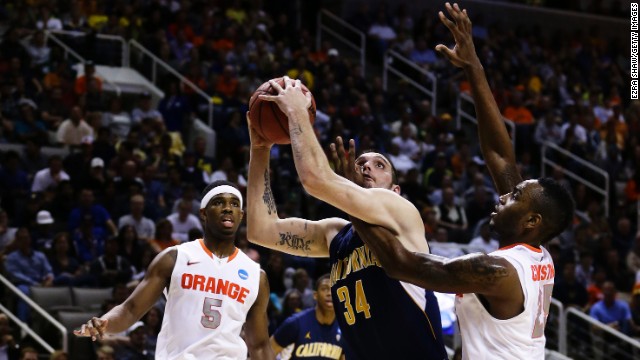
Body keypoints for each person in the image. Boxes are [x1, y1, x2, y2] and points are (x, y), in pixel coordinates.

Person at [327, 4, 574, 360]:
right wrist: (473, 66)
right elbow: (501, 157)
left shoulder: (497, 272)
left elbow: (401, 264)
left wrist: (350, 193)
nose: (505, 196)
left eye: (515, 197)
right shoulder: (534, 252)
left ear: (532, 221)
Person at [248, 84, 446, 359]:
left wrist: (296, 111)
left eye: (380, 165)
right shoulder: (335, 234)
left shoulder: (402, 212)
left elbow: (314, 179)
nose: (367, 166)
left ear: (396, 190)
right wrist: (260, 148)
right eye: (362, 162)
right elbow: (261, 230)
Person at [75, 181, 274, 360]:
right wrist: (105, 322)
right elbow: (130, 310)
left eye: (234, 204)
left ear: (241, 215)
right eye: (219, 202)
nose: (228, 209)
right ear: (203, 213)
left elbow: (260, 345)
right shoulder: (175, 258)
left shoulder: (256, 276)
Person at [271, 274, 345, 360]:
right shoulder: (295, 323)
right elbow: (265, 353)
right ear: (315, 295)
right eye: (324, 289)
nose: (329, 293)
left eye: (334, 289)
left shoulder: (345, 328)